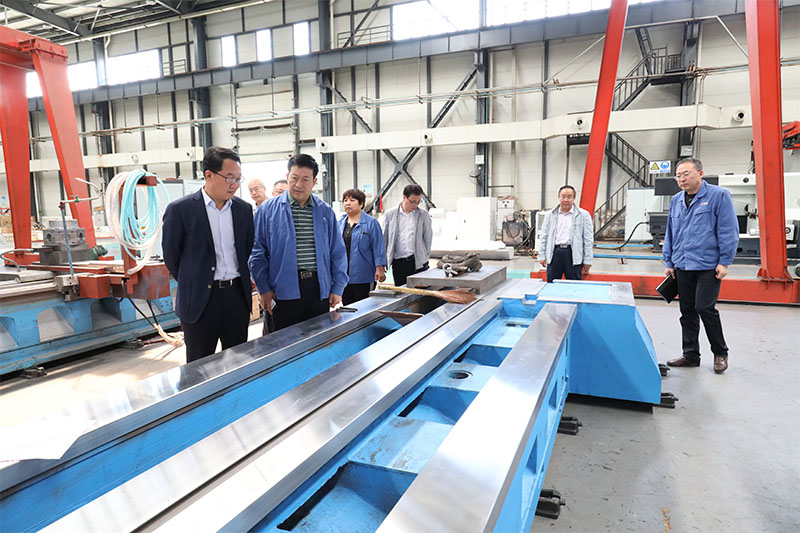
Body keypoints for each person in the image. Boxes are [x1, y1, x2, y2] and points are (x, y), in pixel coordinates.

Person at [162, 146, 254, 363]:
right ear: (209, 175)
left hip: (236, 297)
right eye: (229, 178)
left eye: (238, 179)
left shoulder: (243, 210)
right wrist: (195, 280)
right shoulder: (181, 210)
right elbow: (172, 257)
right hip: (200, 301)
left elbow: (246, 248)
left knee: (238, 363)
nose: (234, 185)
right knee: (199, 366)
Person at [249, 154, 348, 330]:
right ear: (287, 177)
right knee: (282, 341)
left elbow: (338, 252)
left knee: (317, 339)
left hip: (318, 289)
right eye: (294, 178)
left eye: (305, 180)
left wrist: (337, 288)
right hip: (282, 291)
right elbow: (257, 252)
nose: (299, 184)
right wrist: (263, 288)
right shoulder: (268, 211)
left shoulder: (325, 212)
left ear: (314, 182)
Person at [663, 157, 738, 374]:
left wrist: (725, 261)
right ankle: (690, 355)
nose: (682, 179)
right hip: (682, 264)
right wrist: (669, 261)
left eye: (686, 174)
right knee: (686, 311)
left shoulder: (718, 196)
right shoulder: (676, 200)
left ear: (700, 173)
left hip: (708, 265)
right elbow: (670, 232)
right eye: (678, 175)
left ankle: (720, 352)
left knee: (704, 308)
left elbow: (728, 230)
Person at [337, 188, 387, 305]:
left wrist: (379, 268)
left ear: (361, 204)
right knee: (348, 307)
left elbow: (378, 246)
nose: (348, 203)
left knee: (364, 307)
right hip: (344, 275)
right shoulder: (340, 224)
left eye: (352, 200)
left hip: (364, 275)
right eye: (345, 200)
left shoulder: (371, 223)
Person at [538, 185, 594, 282]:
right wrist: (542, 255)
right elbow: (544, 236)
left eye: (569, 197)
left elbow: (588, 239)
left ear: (574, 198)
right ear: (558, 197)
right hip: (554, 254)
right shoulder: (550, 215)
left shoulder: (583, 215)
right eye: (563, 196)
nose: (565, 200)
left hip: (573, 255)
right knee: (551, 285)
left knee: (574, 286)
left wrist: (588, 260)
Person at [383, 184, 433, 286]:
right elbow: (385, 239)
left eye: (418, 202)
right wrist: (384, 260)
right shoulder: (390, 214)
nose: (415, 205)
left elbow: (428, 238)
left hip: (418, 262)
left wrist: (424, 258)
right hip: (399, 263)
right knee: (402, 292)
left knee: (419, 292)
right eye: (412, 202)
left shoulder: (423, 215)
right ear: (404, 198)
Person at [261, 177, 291, 336]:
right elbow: (257, 254)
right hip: (274, 289)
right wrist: (263, 288)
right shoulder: (265, 214)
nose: (284, 196)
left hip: (295, 291)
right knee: (275, 335)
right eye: (280, 192)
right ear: (272, 193)